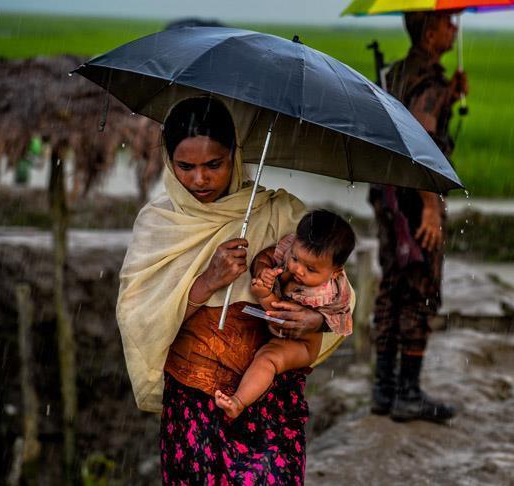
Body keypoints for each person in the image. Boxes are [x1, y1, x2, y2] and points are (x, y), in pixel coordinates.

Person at [116, 97, 344, 485]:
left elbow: (337, 288)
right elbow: (138, 319)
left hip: (269, 399)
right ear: (169, 163)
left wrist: (313, 317)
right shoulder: (160, 225)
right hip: (194, 400)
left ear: (234, 157)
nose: (200, 180)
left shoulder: (277, 214)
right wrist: (207, 281)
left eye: (213, 165)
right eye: (185, 167)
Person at [368, 11, 468, 423]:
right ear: (430, 32)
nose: (455, 29)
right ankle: (407, 391)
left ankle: (385, 389)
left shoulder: (398, 73)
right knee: (420, 287)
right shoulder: (427, 81)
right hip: (414, 199)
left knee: (393, 283)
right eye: (448, 23)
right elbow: (421, 141)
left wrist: (451, 95)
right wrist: (430, 204)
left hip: (389, 195)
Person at [216, 209, 356, 418]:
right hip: (276, 328)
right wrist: (263, 269)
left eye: (310, 269)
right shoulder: (291, 249)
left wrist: (263, 294)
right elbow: (268, 254)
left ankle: (238, 402)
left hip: (300, 344)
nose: (298, 270)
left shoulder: (324, 293)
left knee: (267, 358)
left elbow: (278, 313)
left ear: (335, 272)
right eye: (295, 259)